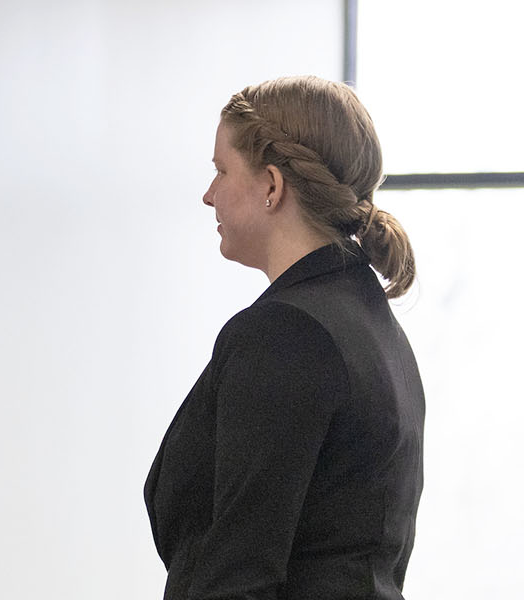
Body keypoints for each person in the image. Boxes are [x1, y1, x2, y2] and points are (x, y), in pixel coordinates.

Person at [144, 75, 425, 599]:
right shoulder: (373, 326)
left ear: (272, 186)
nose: (208, 195)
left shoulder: (286, 335)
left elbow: (237, 578)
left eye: (221, 171)